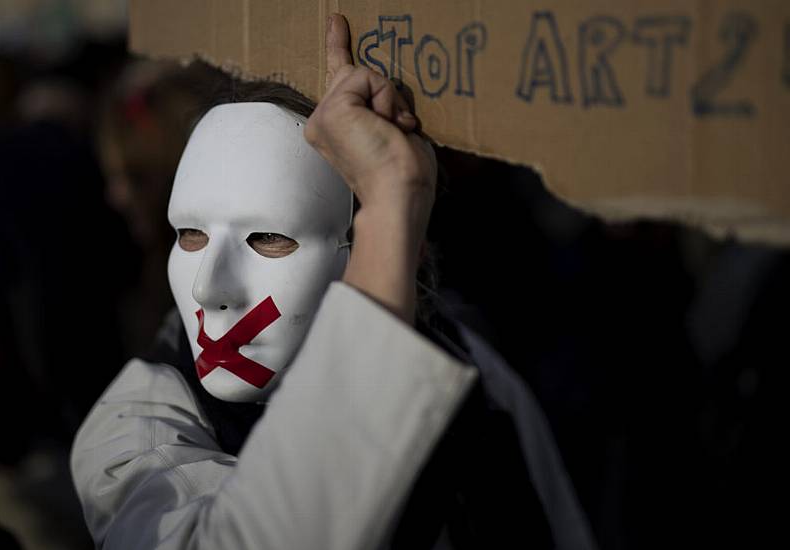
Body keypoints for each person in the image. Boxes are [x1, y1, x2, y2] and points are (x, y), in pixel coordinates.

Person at [70, 14, 596, 549]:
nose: (209, 289)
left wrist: (393, 198)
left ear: (386, 250)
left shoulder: (475, 376)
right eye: (190, 234)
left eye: (268, 239)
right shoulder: (135, 435)